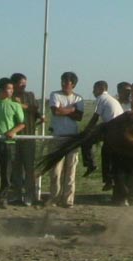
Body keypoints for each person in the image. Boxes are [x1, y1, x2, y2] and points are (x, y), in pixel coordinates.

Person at [46, 72, 84, 208]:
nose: (64, 84)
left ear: (73, 84)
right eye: (62, 81)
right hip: (57, 137)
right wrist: (72, 109)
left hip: (72, 138)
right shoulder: (55, 95)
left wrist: (65, 110)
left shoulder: (78, 98)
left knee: (70, 171)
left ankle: (68, 200)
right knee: (56, 171)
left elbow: (79, 117)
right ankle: (54, 199)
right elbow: (56, 111)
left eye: (67, 82)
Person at [0, 78, 25, 209]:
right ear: (2, 89)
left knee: (6, 171)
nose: (11, 91)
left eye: (12, 89)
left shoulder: (15, 105)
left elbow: (22, 123)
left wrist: (13, 131)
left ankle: (3, 197)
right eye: (9, 89)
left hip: (9, 143)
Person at [82, 81, 124, 193]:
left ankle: (90, 164)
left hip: (111, 127)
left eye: (94, 89)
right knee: (108, 154)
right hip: (119, 128)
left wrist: (86, 130)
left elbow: (95, 117)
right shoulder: (111, 99)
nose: (93, 92)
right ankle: (109, 179)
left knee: (86, 140)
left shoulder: (101, 98)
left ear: (100, 89)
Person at [10, 73, 43, 206]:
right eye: (21, 83)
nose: (24, 85)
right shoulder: (9, 96)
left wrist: (20, 105)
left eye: (25, 82)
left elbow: (35, 108)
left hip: (28, 136)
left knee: (29, 168)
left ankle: (30, 195)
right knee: (16, 168)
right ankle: (17, 194)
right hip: (13, 137)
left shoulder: (29, 95)